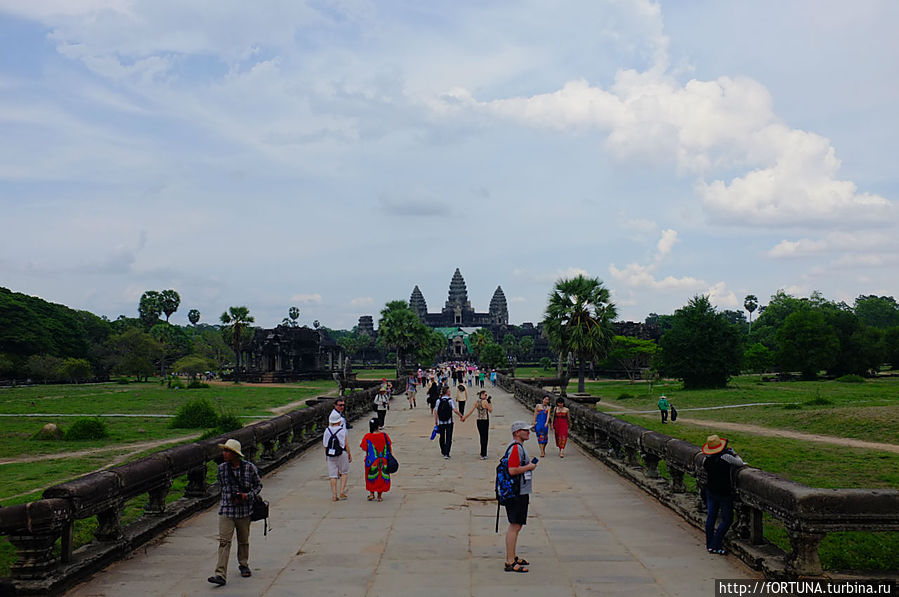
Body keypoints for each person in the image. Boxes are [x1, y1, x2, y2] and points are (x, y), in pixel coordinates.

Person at [208, 439, 262, 586]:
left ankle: (243, 564)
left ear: (235, 454)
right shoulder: (222, 469)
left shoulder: (249, 468)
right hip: (227, 509)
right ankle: (220, 574)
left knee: (243, 541)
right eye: (224, 451)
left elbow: (258, 486)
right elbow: (222, 488)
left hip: (244, 510)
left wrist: (246, 496)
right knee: (224, 542)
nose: (224, 454)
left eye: (227, 451)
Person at [503, 421, 537, 573]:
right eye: (525, 430)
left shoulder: (518, 447)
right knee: (515, 525)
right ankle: (510, 561)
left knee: (517, 525)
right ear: (517, 432)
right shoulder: (516, 448)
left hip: (520, 490)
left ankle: (513, 555)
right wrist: (529, 467)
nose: (528, 433)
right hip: (517, 491)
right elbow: (512, 470)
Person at [702, 435, 745, 555]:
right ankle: (716, 544)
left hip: (710, 491)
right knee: (727, 519)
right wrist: (734, 453)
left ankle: (709, 544)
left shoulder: (707, 459)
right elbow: (740, 463)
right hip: (723, 493)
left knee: (711, 517)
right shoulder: (726, 457)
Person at [360, 417, 393, 502]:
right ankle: (379, 496)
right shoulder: (384, 436)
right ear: (378, 425)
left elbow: (364, 447)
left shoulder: (367, 436)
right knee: (381, 477)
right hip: (383, 461)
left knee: (371, 476)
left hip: (371, 461)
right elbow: (389, 446)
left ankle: (371, 494)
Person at [323, 411, 352, 501]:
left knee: (333, 475)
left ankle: (334, 495)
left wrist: (326, 455)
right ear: (339, 421)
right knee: (344, 472)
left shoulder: (327, 430)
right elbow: (345, 444)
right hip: (342, 453)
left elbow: (325, 445)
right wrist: (349, 454)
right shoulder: (342, 430)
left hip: (331, 454)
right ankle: (342, 491)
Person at [462, 389, 492, 459]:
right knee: (485, 437)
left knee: (481, 437)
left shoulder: (477, 402)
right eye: (485, 395)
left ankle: (482, 453)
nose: (486, 396)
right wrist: (490, 402)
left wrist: (464, 417)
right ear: (481, 395)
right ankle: (484, 453)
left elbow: (471, 411)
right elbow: (490, 410)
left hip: (479, 420)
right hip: (485, 420)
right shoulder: (485, 402)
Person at [434, 385, 462, 459]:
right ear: (447, 392)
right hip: (449, 421)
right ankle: (447, 453)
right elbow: (455, 410)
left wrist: (436, 420)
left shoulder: (438, 400)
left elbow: (436, 411)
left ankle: (443, 450)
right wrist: (461, 416)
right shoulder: (450, 400)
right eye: (449, 391)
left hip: (441, 422)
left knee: (442, 436)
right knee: (449, 437)